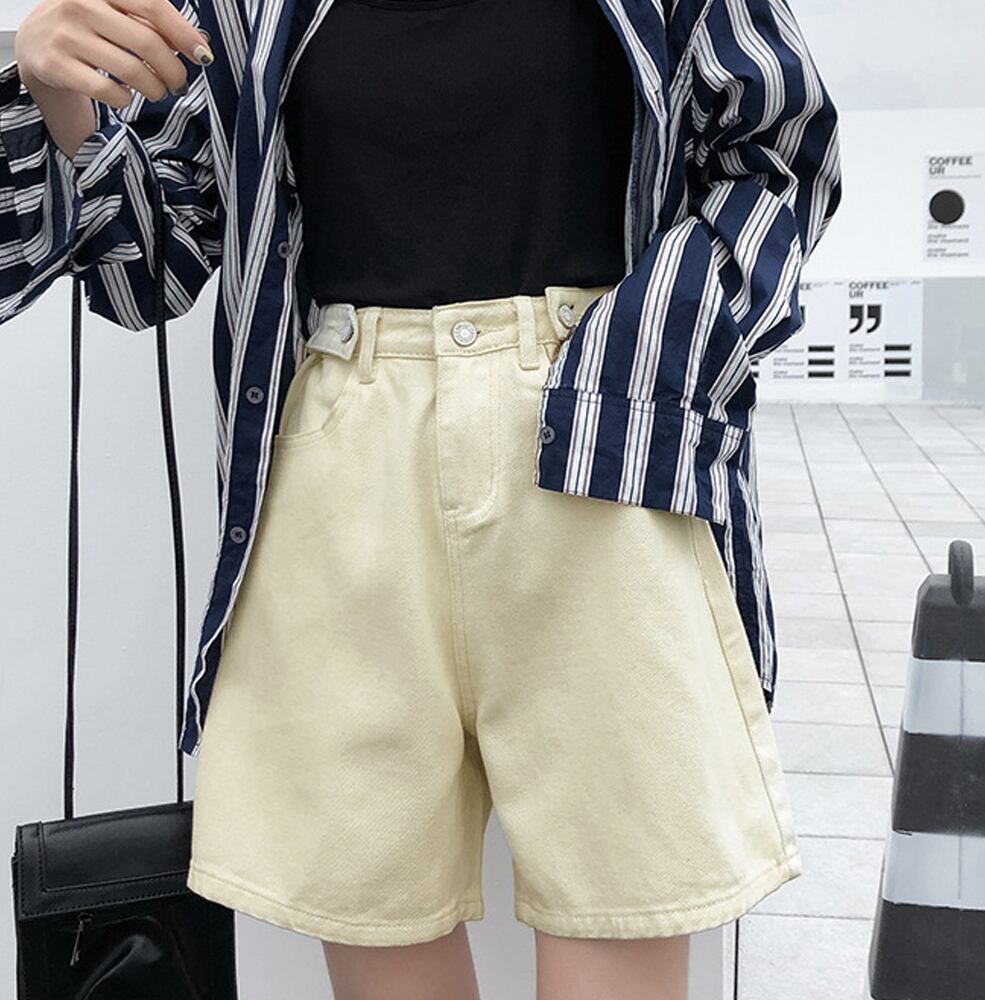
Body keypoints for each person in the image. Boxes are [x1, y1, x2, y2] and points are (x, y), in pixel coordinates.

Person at [0, 0, 842, 996]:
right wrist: (53, 93)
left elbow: (778, 157)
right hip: (341, 480)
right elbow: (154, 263)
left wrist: (638, 366)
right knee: (381, 938)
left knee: (619, 929)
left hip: (600, 457)